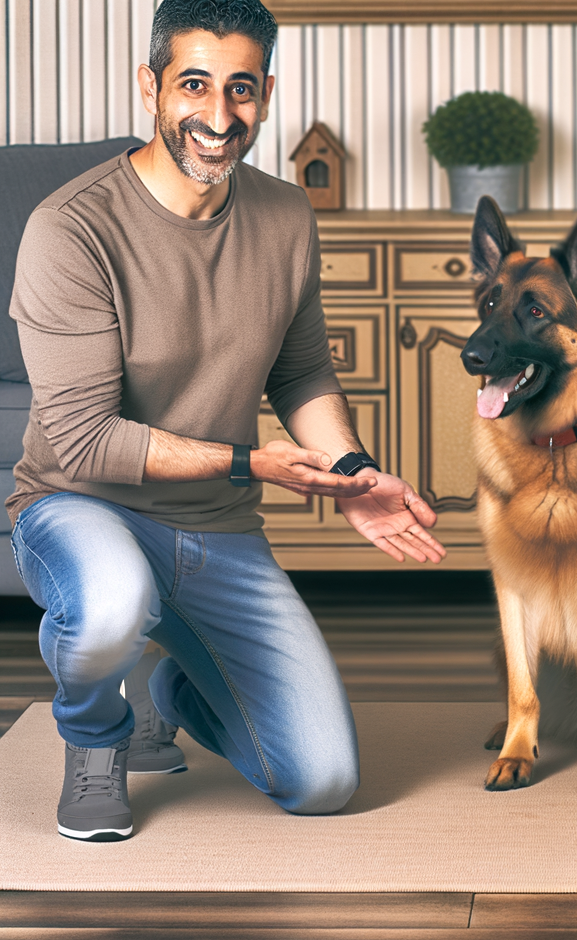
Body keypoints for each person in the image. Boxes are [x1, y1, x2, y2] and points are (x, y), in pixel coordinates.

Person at [7, 0, 446, 842]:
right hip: (78, 509)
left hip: (217, 531)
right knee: (108, 604)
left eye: (239, 89)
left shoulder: (285, 216)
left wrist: (352, 474)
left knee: (323, 781)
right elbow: (84, 442)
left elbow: (302, 370)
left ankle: (169, 691)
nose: (217, 116)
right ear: (151, 87)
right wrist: (254, 462)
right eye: (195, 85)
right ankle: (98, 740)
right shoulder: (71, 227)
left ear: (267, 94)